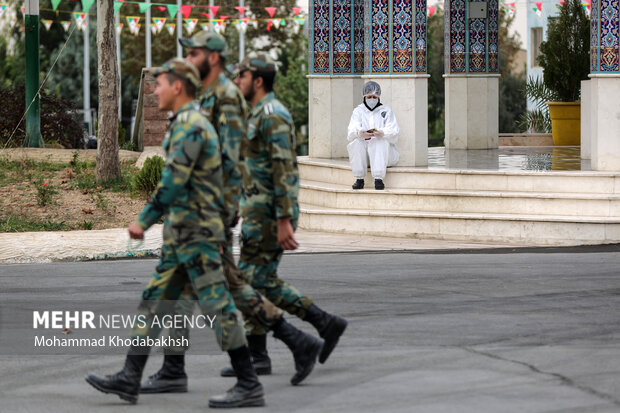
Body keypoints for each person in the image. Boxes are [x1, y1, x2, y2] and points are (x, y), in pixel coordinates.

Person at [140, 32, 322, 393]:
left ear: (214, 57)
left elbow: (232, 161)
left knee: (228, 291)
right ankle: (174, 368)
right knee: (191, 291)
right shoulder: (205, 94)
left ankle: (287, 349)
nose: (190, 57)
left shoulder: (228, 99)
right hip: (194, 217)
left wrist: (226, 218)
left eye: (195, 52)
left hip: (210, 218)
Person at [84, 58, 264, 408]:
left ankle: (249, 383)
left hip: (198, 234)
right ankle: (130, 375)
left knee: (217, 306)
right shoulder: (186, 122)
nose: (155, 91)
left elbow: (174, 180)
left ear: (178, 86)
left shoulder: (192, 125)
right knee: (154, 301)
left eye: (160, 84)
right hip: (184, 234)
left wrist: (145, 218)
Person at [231, 52, 348, 371]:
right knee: (253, 283)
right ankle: (260, 355)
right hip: (257, 211)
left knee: (255, 280)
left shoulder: (273, 115)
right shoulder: (255, 113)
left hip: (271, 214)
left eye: (241, 76)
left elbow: (284, 169)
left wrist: (283, 219)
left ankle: (322, 323)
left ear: (257, 80)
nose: (236, 81)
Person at [346, 81, 400, 190]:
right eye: (369, 96)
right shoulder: (358, 111)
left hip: (383, 154)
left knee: (378, 141)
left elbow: (393, 129)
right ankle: (359, 179)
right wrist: (359, 132)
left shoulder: (386, 111)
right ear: (364, 96)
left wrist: (383, 133)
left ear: (379, 96)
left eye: (374, 97)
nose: (372, 99)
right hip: (365, 155)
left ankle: (378, 179)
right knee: (356, 143)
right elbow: (351, 130)